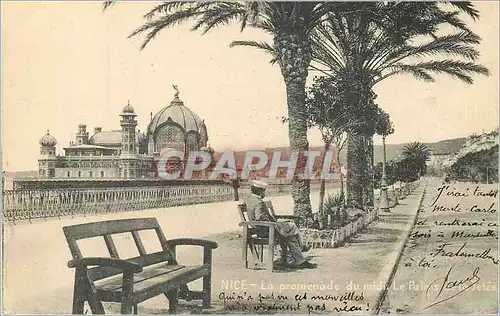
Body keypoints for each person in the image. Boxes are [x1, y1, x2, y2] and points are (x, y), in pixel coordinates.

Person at [245, 180, 316, 269]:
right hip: (265, 230)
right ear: (259, 191)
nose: (264, 193)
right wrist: (275, 224)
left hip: (261, 229)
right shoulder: (259, 202)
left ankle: (300, 257)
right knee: (291, 228)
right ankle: (301, 250)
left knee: (290, 232)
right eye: (263, 191)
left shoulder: (250, 200)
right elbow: (260, 218)